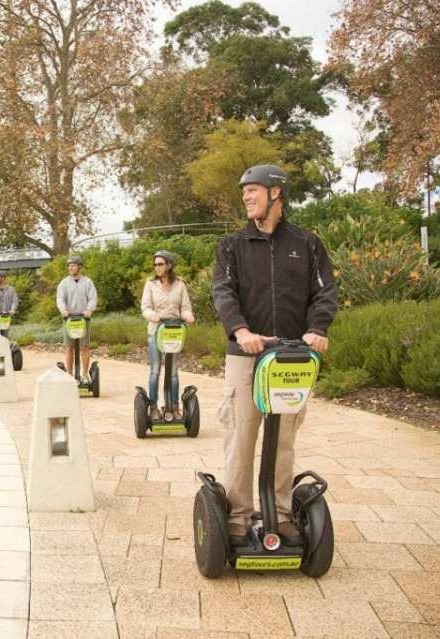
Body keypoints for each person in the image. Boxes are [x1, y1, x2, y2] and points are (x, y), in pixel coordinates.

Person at [211, 164, 338, 548]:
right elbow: (223, 292)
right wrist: (241, 331)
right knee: (242, 437)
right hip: (245, 356)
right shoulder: (232, 246)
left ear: (276, 193)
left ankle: (281, 515)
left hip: (290, 358)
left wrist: (318, 329)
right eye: (243, 191)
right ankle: (237, 516)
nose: (246, 196)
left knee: (283, 441)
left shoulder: (307, 244)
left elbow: (324, 292)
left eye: (253, 189)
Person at [140, 250, 195, 419]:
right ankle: (153, 407)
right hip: (156, 330)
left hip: (174, 332)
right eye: (155, 264)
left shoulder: (180, 285)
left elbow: (185, 307)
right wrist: (153, 316)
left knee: (173, 372)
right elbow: (145, 307)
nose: (156, 267)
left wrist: (188, 316)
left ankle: (175, 407)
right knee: (155, 370)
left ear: (169, 265)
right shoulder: (150, 284)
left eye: (160, 264)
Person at [56, 255, 98, 381]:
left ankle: (84, 375)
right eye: (69, 266)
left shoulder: (87, 282)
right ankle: (69, 375)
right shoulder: (64, 283)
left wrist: (89, 310)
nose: (71, 268)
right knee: (69, 347)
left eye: (73, 265)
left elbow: (93, 297)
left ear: (79, 267)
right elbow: (60, 298)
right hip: (68, 319)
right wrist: (63, 310)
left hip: (84, 318)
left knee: (84, 347)